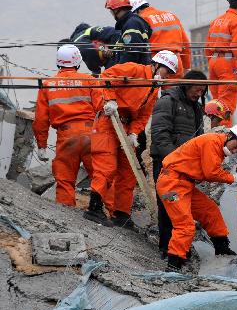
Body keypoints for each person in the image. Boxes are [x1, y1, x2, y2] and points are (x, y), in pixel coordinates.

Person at [84, 51, 179, 228]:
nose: (167, 77)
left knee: (128, 171)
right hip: (108, 120)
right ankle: (94, 207)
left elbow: (144, 115)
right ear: (157, 65)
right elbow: (105, 77)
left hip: (126, 126)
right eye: (167, 72)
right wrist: (110, 100)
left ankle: (121, 213)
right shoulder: (134, 70)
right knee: (106, 167)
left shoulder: (154, 88)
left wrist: (134, 133)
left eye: (170, 75)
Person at [156, 123, 237, 271]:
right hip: (172, 184)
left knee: (210, 210)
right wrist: (233, 178)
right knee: (185, 225)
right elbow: (211, 172)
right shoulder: (212, 142)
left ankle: (221, 248)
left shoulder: (217, 145)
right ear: (231, 135)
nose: (235, 150)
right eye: (236, 145)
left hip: (184, 184)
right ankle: (173, 265)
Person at [32, 45, 99, 207]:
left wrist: (41, 145)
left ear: (58, 63)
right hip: (92, 134)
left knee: (65, 179)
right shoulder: (90, 80)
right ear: (78, 61)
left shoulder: (48, 85)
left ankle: (66, 216)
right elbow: (102, 108)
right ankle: (111, 215)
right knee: (100, 177)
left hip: (66, 136)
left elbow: (41, 119)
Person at [150, 70, 208, 256]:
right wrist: (173, 160)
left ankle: (180, 247)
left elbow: (199, 140)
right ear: (186, 86)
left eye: (202, 91)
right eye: (196, 90)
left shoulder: (196, 108)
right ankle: (166, 247)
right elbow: (160, 135)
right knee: (168, 204)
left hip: (186, 167)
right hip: (167, 165)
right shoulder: (168, 102)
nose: (199, 94)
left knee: (183, 206)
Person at [205, 0, 237, 127]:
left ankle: (213, 130)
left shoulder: (216, 21)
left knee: (216, 102)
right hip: (228, 65)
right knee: (225, 104)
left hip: (213, 63)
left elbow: (207, 47)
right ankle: (223, 134)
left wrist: (213, 62)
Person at [130, 0, 192, 78]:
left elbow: (137, 47)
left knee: (156, 90)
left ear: (135, 11)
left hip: (157, 64)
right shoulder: (171, 16)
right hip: (176, 63)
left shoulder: (140, 19)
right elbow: (186, 45)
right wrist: (187, 68)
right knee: (176, 89)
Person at [104, 0, 152, 67]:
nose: (112, 14)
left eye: (111, 11)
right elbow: (126, 49)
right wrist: (113, 53)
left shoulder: (132, 24)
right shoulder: (130, 24)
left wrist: (119, 72)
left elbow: (131, 54)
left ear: (116, 10)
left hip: (132, 76)